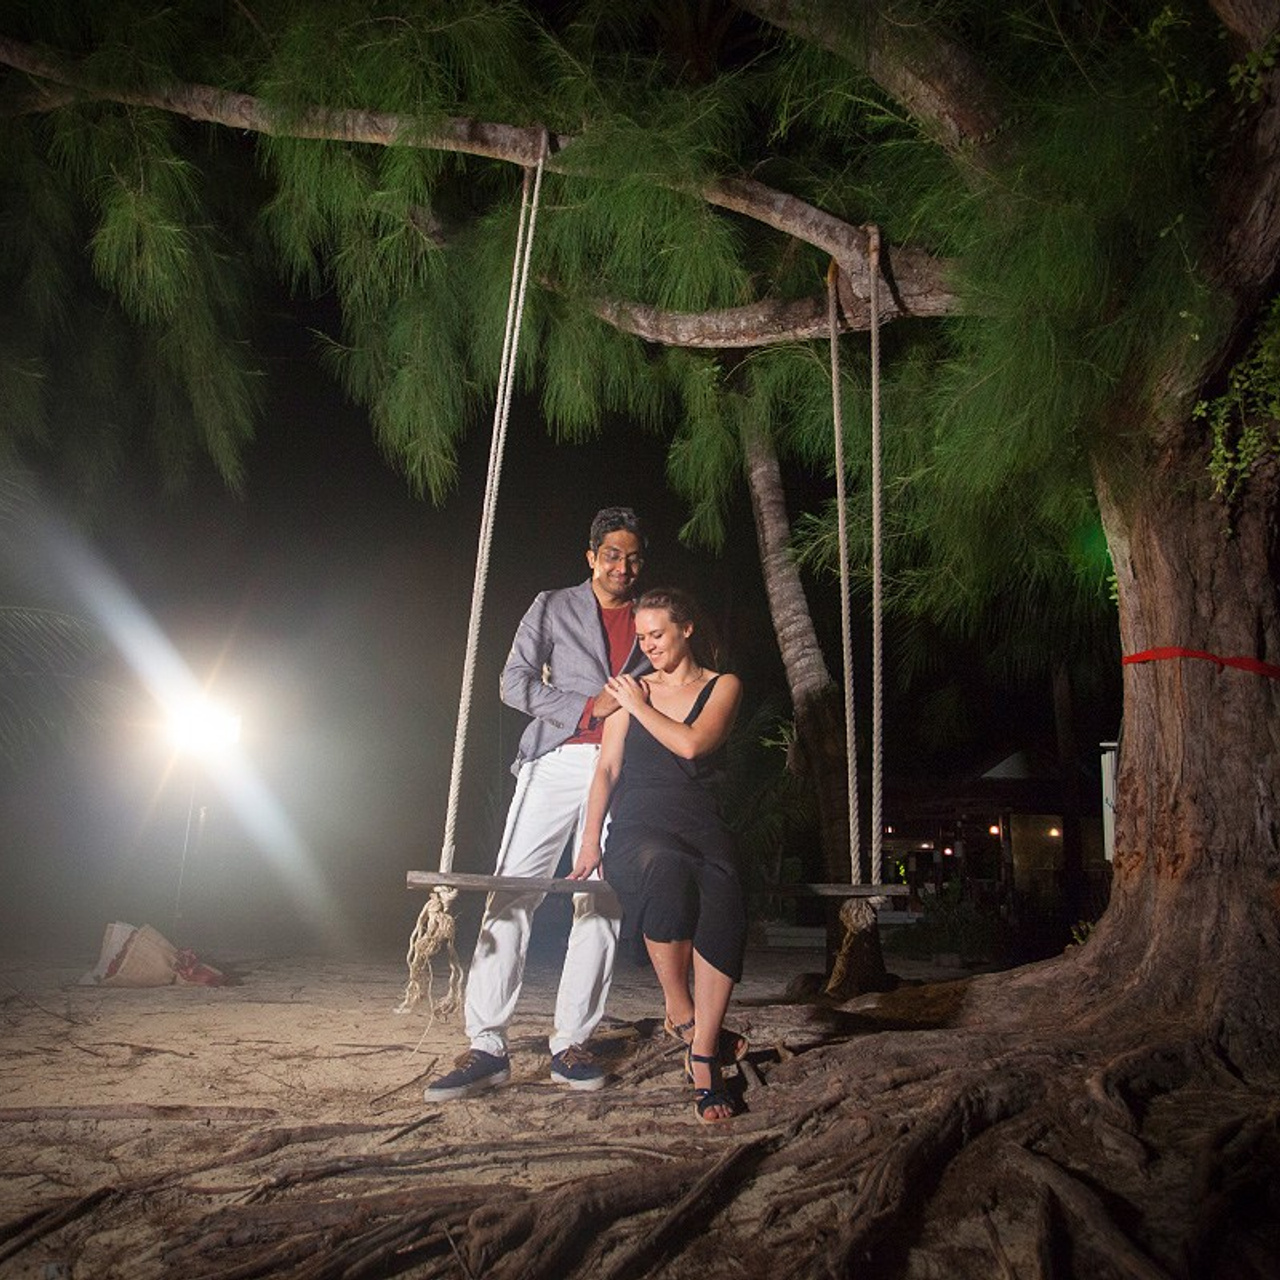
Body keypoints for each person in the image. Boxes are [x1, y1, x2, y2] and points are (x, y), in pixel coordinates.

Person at [426, 507, 650, 1100]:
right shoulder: (552, 605)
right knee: (514, 888)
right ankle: (486, 1045)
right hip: (556, 758)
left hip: (623, 770)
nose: (622, 567)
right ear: (592, 557)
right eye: (612, 555)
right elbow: (513, 682)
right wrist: (585, 710)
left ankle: (572, 1042)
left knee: (602, 898)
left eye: (632, 558)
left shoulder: (653, 618)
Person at [571, 587, 747, 1123]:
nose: (647, 645)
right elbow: (607, 769)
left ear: (687, 629)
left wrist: (638, 706)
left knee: (722, 884)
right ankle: (685, 1019)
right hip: (639, 825)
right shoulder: (631, 690)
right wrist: (588, 838)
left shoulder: (722, 686)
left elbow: (693, 745)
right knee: (663, 868)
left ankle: (702, 1042)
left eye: (657, 634)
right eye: (641, 636)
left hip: (701, 820)